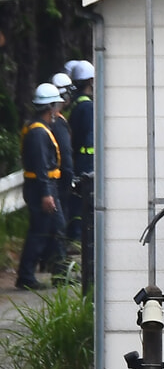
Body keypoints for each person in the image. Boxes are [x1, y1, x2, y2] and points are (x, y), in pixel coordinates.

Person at [16, 83, 68, 291]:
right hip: (42, 189)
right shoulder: (38, 133)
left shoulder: (37, 127)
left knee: (56, 227)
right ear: (51, 107)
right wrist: (47, 193)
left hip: (42, 187)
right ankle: (26, 276)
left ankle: (61, 274)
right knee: (40, 231)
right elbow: (40, 166)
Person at [67, 60, 94, 289]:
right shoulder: (87, 106)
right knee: (82, 202)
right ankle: (75, 237)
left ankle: (74, 235)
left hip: (80, 158)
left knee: (77, 202)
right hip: (86, 160)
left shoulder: (77, 104)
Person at [49, 72, 77, 257]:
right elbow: (65, 155)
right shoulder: (58, 124)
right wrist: (69, 178)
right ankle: (59, 265)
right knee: (58, 223)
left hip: (51, 181)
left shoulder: (48, 122)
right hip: (59, 181)